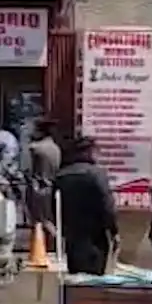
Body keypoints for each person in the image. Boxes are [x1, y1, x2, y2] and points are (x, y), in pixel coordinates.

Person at [54, 135, 119, 275]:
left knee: (75, 279)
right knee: (92, 283)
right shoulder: (97, 174)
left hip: (72, 239)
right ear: (88, 152)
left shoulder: (61, 176)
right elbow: (108, 206)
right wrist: (114, 231)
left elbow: (54, 207)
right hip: (95, 239)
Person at [27, 118, 61, 250]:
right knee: (48, 218)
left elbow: (27, 169)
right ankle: (49, 247)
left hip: (38, 188)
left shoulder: (35, 148)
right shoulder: (55, 148)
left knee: (40, 221)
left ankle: (54, 243)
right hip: (51, 187)